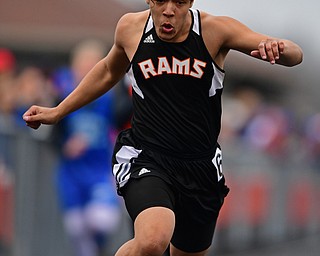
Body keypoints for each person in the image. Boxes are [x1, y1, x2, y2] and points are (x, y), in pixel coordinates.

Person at [22, 1, 303, 255]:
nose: (168, 10)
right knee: (153, 240)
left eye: (179, 3)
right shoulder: (131, 28)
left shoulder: (215, 30)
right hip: (147, 156)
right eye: (160, 1)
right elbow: (109, 70)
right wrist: (58, 111)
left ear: (190, 3)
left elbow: (295, 55)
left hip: (200, 167)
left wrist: (279, 48)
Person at [50, 39, 122, 256]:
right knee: (77, 229)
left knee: (101, 220)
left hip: (99, 170)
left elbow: (123, 120)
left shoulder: (110, 99)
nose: (87, 73)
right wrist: (65, 146)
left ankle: (101, 246)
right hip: (72, 173)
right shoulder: (63, 99)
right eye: (83, 67)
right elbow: (54, 135)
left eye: (92, 67)